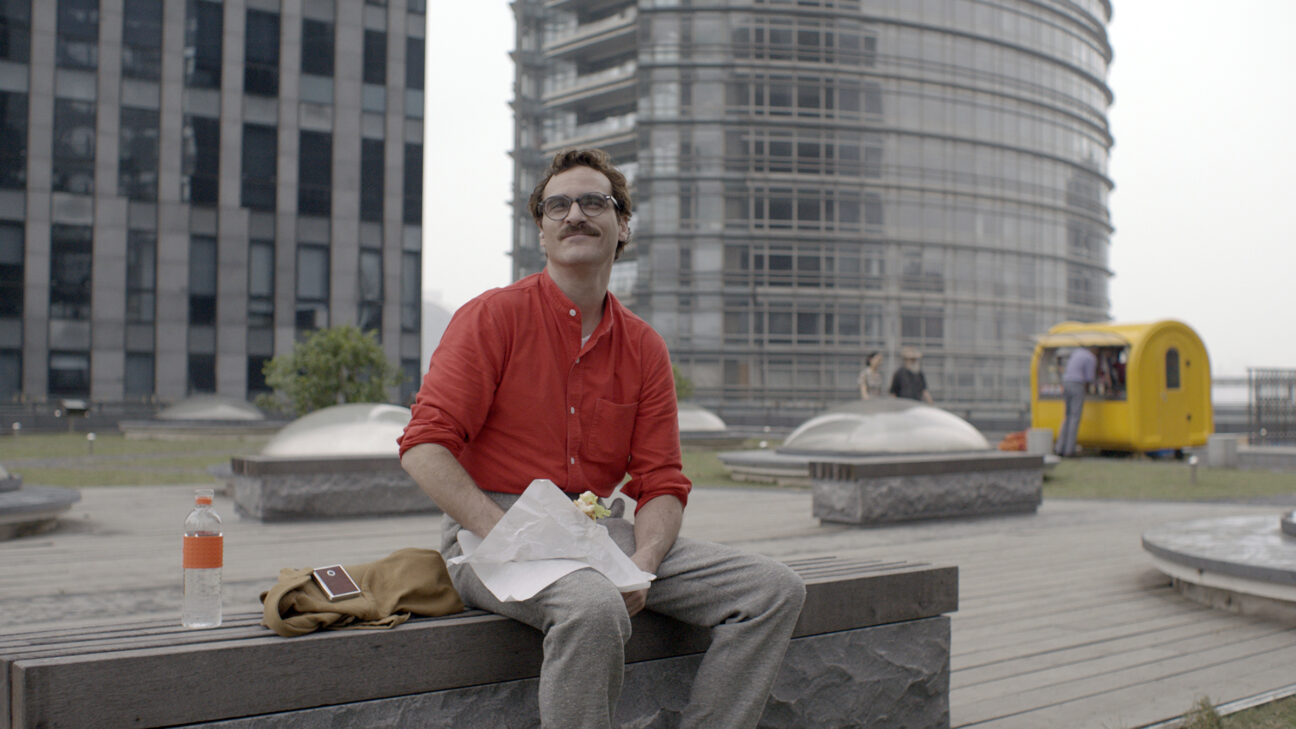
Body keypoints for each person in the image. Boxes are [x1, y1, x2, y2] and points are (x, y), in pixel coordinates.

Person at [398, 148, 805, 729]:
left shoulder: (643, 347)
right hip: (487, 533)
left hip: (596, 533)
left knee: (772, 590)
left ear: (622, 226)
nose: (574, 214)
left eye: (594, 202)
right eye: (557, 205)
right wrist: (509, 533)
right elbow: (423, 445)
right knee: (592, 606)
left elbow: (661, 479)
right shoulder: (491, 318)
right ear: (541, 231)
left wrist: (644, 562)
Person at [1055, 346, 1098, 457]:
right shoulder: (1091, 357)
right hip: (1077, 385)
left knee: (1067, 416)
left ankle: (1059, 447)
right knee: (1075, 417)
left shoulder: (1076, 352)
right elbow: (1089, 378)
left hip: (1066, 383)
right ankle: (1069, 450)